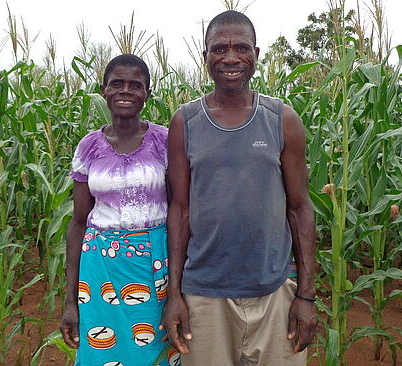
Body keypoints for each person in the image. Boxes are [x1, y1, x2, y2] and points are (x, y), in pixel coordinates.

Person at [162, 10, 317, 366]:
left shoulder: (282, 119)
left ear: (257, 54)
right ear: (205, 58)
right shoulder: (186, 121)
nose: (230, 58)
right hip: (204, 295)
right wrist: (175, 294)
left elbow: (300, 208)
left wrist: (305, 297)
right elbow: (180, 210)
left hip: (274, 293)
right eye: (219, 49)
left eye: (241, 48)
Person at [60, 54, 177, 366]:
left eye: (135, 85)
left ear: (148, 94)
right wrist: (71, 300)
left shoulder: (165, 141)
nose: (126, 91)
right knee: (102, 349)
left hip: (155, 266)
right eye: (117, 84)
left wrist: (178, 288)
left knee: (157, 350)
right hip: (100, 270)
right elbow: (79, 221)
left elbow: (180, 210)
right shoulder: (88, 147)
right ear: (104, 90)